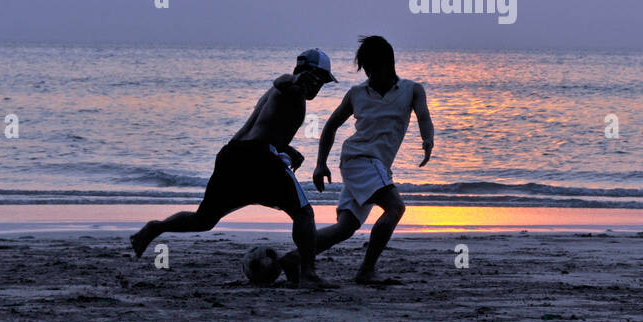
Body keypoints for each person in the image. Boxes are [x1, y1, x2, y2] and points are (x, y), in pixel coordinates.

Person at [129, 49, 337, 289]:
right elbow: (280, 80)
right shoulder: (290, 88)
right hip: (260, 158)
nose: (321, 87)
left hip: (232, 156)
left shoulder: (277, 96)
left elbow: (263, 128)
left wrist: (287, 150)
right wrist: (295, 79)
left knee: (203, 220)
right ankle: (308, 273)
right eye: (321, 80)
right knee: (303, 214)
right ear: (312, 74)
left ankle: (157, 227)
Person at [276, 36, 434, 284]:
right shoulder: (357, 93)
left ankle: (294, 258)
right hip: (360, 159)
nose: (370, 74)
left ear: (389, 65)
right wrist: (320, 163)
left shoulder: (412, 90)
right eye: (366, 70)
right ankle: (367, 270)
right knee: (395, 208)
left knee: (346, 227)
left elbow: (423, 116)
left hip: (374, 166)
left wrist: (427, 140)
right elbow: (330, 126)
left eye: (374, 68)